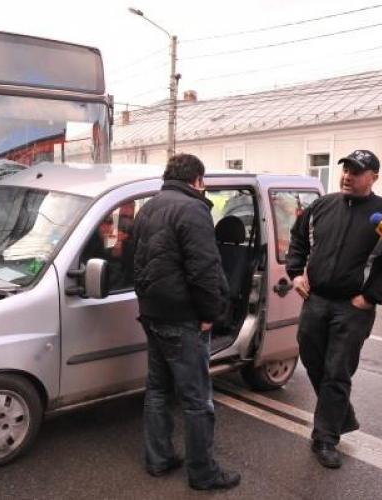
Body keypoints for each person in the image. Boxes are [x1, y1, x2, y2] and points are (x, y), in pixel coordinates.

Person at [286, 149, 382, 469]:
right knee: (313, 361)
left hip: (352, 308)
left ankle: (325, 438)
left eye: (357, 171)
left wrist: (371, 298)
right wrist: (296, 274)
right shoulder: (321, 206)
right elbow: (297, 242)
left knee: (337, 370)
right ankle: (342, 415)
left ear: (373, 178)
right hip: (316, 300)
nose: (348, 175)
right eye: (346, 169)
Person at [132, 153, 240, 491]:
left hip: (152, 313)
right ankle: (203, 473)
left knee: (158, 391)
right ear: (197, 180)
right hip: (182, 319)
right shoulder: (194, 209)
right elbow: (204, 270)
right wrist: (210, 315)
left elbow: (133, 257)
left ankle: (159, 458)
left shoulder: (148, 207)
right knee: (197, 400)